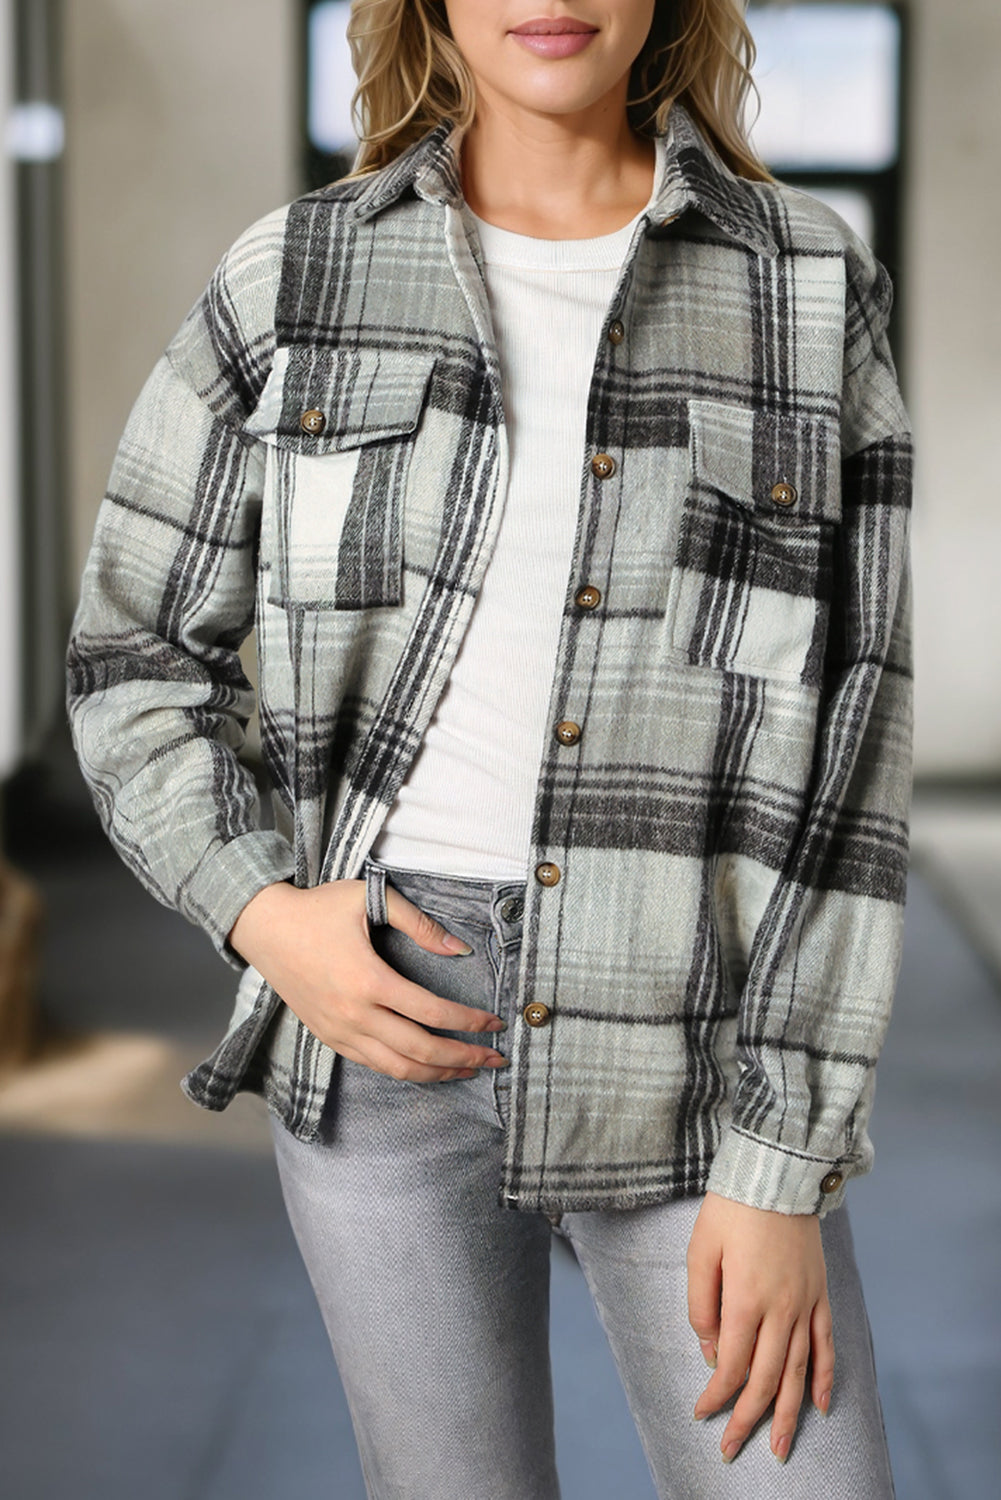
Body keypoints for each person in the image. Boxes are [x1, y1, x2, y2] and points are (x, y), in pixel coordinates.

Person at [67, 1, 912, 1495]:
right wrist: (265, 914)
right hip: (380, 1020)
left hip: (688, 1032)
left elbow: (855, 752)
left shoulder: (803, 282)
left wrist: (783, 1158)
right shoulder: (294, 277)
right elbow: (132, 654)